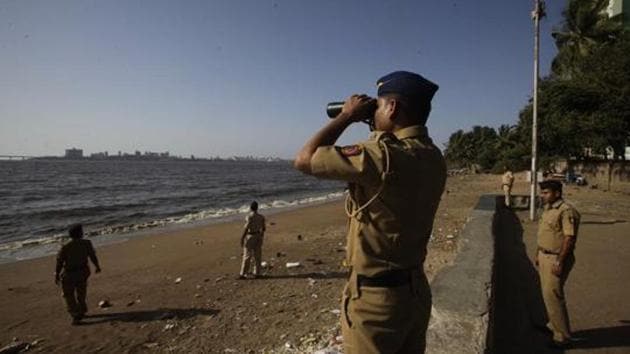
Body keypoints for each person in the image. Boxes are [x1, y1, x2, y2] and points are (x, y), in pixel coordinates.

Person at [294, 71, 446, 353]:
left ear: (392, 108)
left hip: (377, 303)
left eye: (377, 105)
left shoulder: (381, 156)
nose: (372, 113)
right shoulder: (434, 157)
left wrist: (347, 116)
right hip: (415, 292)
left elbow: (304, 159)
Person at [535, 180, 580, 348]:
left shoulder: (566, 211)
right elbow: (546, 233)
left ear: (557, 193)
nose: (542, 195)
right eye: (542, 192)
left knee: (554, 295)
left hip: (556, 258)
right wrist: (538, 253)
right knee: (547, 295)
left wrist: (560, 261)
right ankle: (552, 326)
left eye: (546, 193)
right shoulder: (549, 209)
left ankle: (562, 337)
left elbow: (569, 238)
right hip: (545, 255)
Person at [55, 224, 101, 325]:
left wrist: (57, 274)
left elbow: (60, 262)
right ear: (80, 233)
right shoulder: (87, 243)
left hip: (70, 273)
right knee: (81, 291)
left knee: (68, 295)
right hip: (83, 271)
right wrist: (97, 266)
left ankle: (75, 314)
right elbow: (92, 256)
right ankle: (82, 309)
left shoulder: (65, 246)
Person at [239, 201, 266, 279]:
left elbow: (246, 228)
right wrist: (261, 236)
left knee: (247, 255)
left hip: (250, 236)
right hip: (258, 235)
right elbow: (264, 228)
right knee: (257, 255)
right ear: (257, 208)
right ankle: (257, 273)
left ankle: (243, 273)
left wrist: (242, 238)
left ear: (250, 208)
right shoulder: (261, 217)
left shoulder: (249, 217)